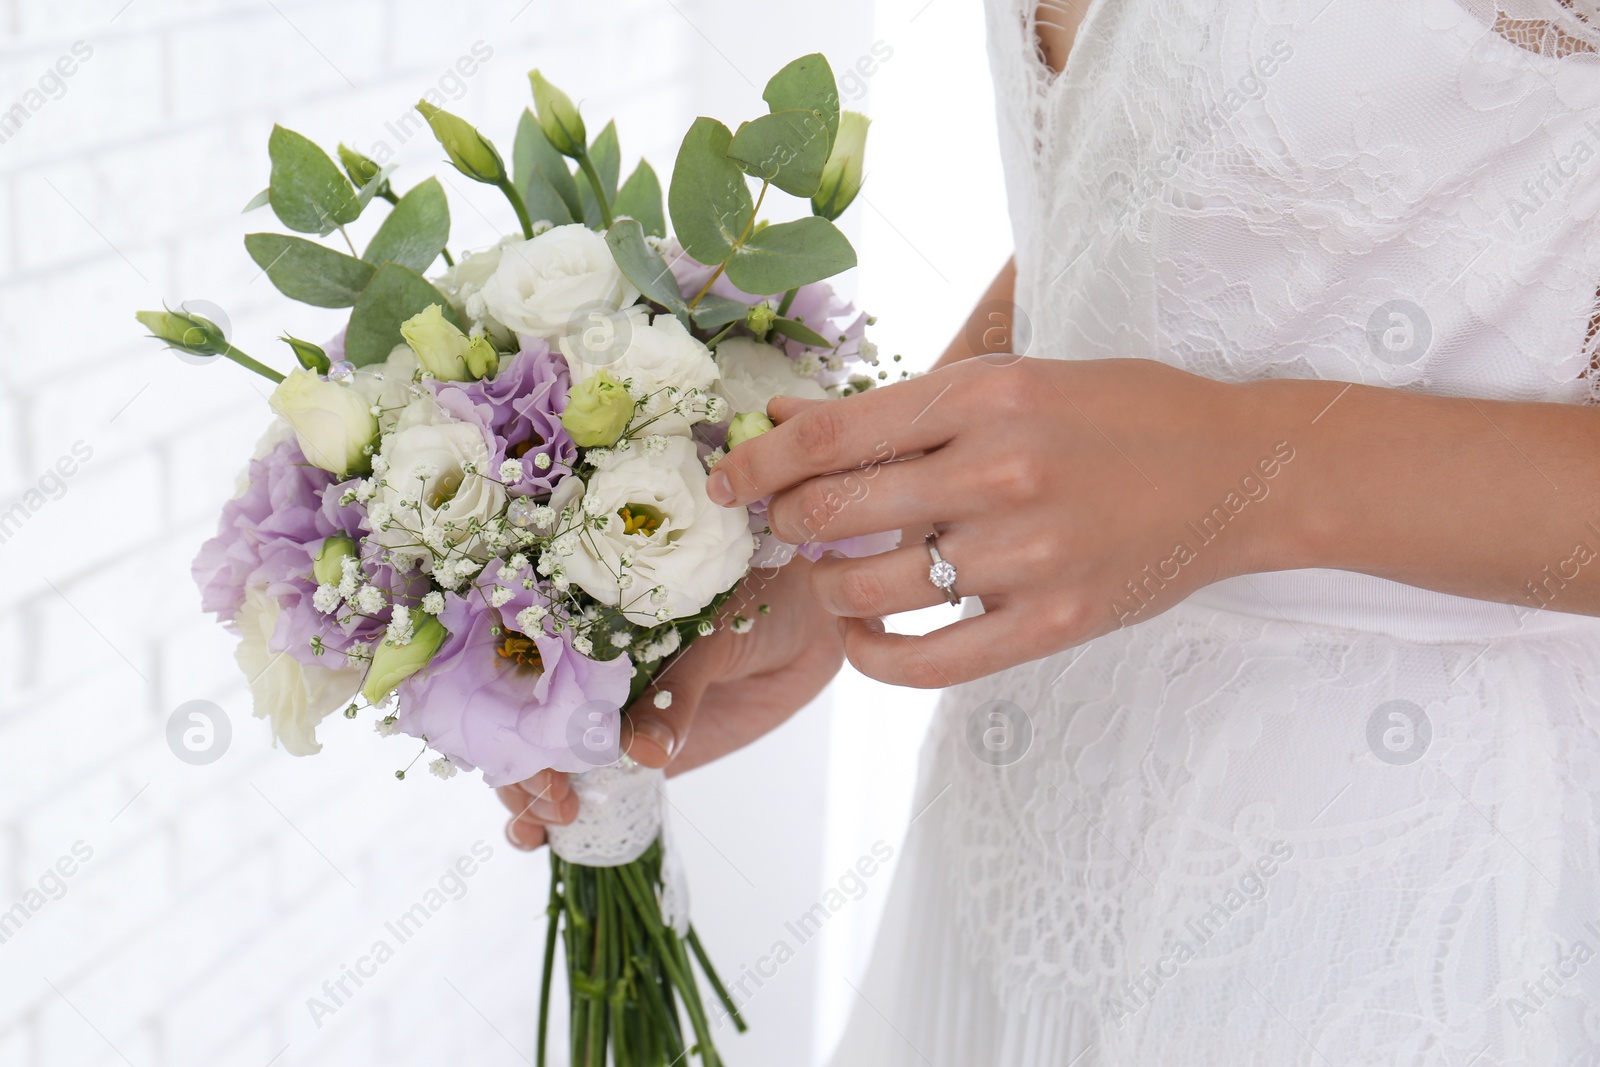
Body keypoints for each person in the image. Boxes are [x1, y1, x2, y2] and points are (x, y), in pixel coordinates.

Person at [501, 0, 1600, 1060]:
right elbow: (1120, 206)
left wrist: (1251, 474)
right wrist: (848, 554)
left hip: (1404, 885)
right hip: (1024, 824)